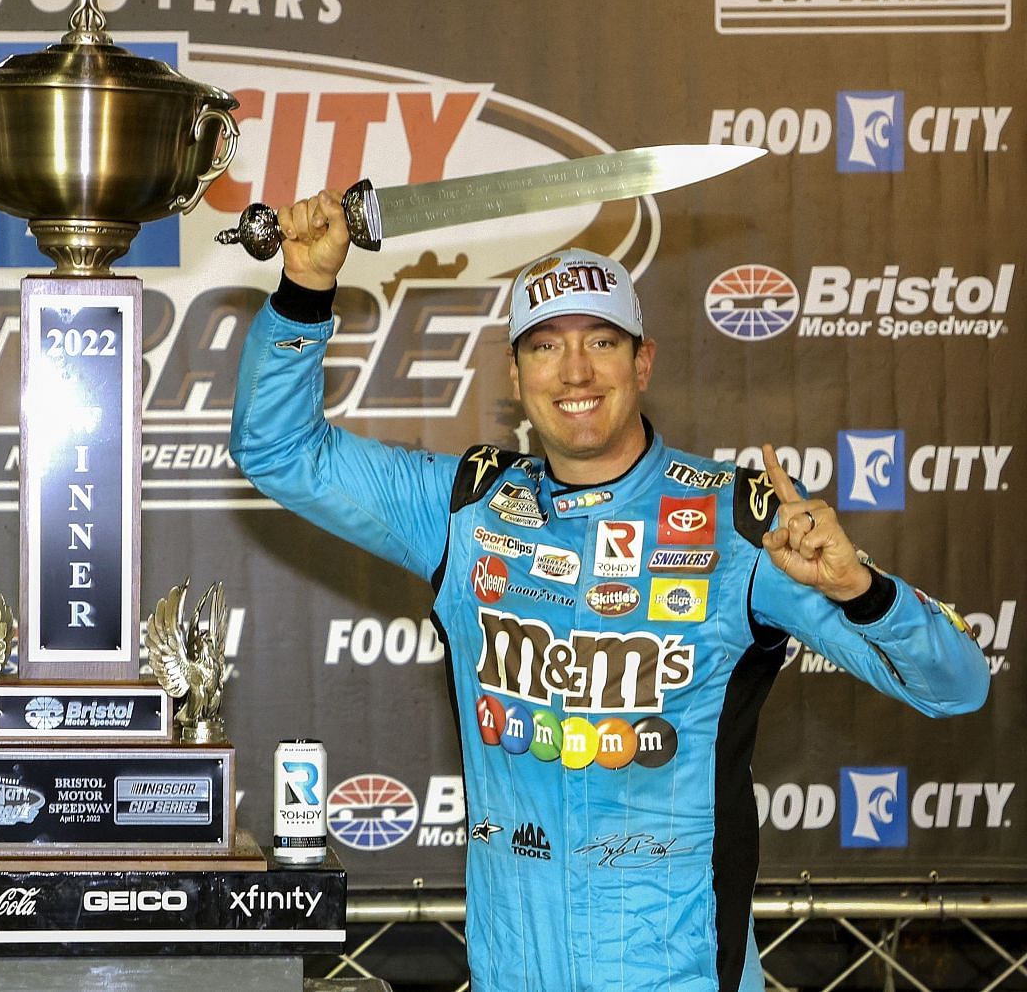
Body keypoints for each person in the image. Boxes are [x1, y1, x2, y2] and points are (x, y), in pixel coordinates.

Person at [228, 191, 991, 992]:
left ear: (643, 361)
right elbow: (278, 450)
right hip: (515, 973)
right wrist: (305, 290)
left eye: (601, 341)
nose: (577, 371)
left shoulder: (741, 523)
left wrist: (861, 588)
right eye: (547, 347)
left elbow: (956, 688)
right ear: (515, 373)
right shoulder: (462, 508)